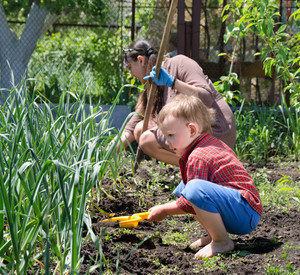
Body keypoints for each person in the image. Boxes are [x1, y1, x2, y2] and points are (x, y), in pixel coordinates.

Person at [147, 94, 262, 258]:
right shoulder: (208, 144)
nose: (166, 142)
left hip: (244, 213)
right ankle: (213, 234)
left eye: (170, 135)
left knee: (193, 189)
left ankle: (221, 241)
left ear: (192, 130)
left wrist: (165, 210)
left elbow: (190, 200)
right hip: (243, 209)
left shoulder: (198, 157)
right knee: (185, 187)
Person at [120, 39, 236, 166]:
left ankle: (200, 166)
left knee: (147, 139)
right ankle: (196, 166)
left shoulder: (180, 63)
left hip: (215, 130)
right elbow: (131, 128)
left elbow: (206, 98)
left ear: (141, 60)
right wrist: (105, 154)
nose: (131, 74)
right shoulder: (152, 85)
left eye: (130, 67)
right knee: (140, 129)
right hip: (192, 133)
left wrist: (173, 82)